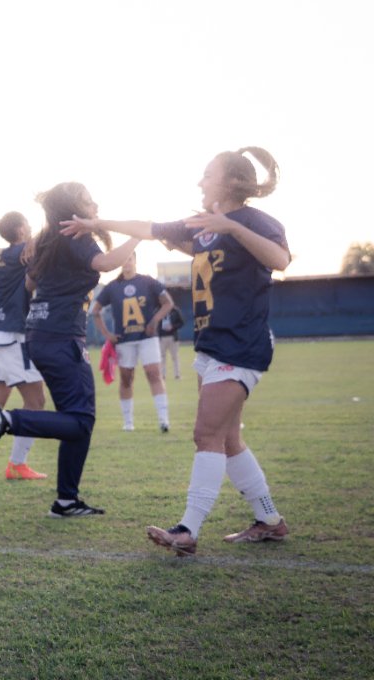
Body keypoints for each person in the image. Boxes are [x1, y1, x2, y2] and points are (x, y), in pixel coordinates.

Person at [61, 147, 290, 556]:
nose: (200, 182)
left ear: (231, 182)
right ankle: (270, 520)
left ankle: (188, 529)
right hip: (214, 343)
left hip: (240, 343)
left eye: (207, 174)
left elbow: (280, 259)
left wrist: (232, 228)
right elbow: (149, 227)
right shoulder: (202, 227)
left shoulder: (254, 221)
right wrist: (97, 222)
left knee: (206, 435)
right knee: (229, 439)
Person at [0, 182, 141, 518]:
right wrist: (140, 235)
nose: (94, 203)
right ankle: (5, 419)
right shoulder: (76, 236)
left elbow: (30, 283)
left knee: (75, 417)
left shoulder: (50, 237)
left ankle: (66, 500)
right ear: (73, 209)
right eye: (87, 200)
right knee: (82, 420)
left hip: (42, 335)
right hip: (61, 337)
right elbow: (107, 263)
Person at [0, 212, 49, 481]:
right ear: (20, 229)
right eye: (28, 224)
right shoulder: (22, 251)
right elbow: (46, 238)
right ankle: (17, 464)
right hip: (13, 336)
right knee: (35, 401)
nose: (31, 229)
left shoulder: (1, 256)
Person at [90, 253, 175, 432]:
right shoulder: (113, 286)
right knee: (127, 379)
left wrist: (154, 321)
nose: (126, 263)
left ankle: (163, 420)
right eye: (123, 259)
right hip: (124, 340)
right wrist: (107, 334)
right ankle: (128, 422)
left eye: (129, 259)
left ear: (135, 260)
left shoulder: (148, 281)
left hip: (147, 337)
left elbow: (168, 303)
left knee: (154, 374)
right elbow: (95, 311)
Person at [158, 304, 185, 380]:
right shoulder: (158, 310)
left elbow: (181, 322)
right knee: (162, 357)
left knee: (175, 357)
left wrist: (173, 326)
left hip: (172, 337)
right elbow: (155, 322)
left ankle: (177, 375)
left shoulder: (175, 310)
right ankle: (162, 375)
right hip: (162, 337)